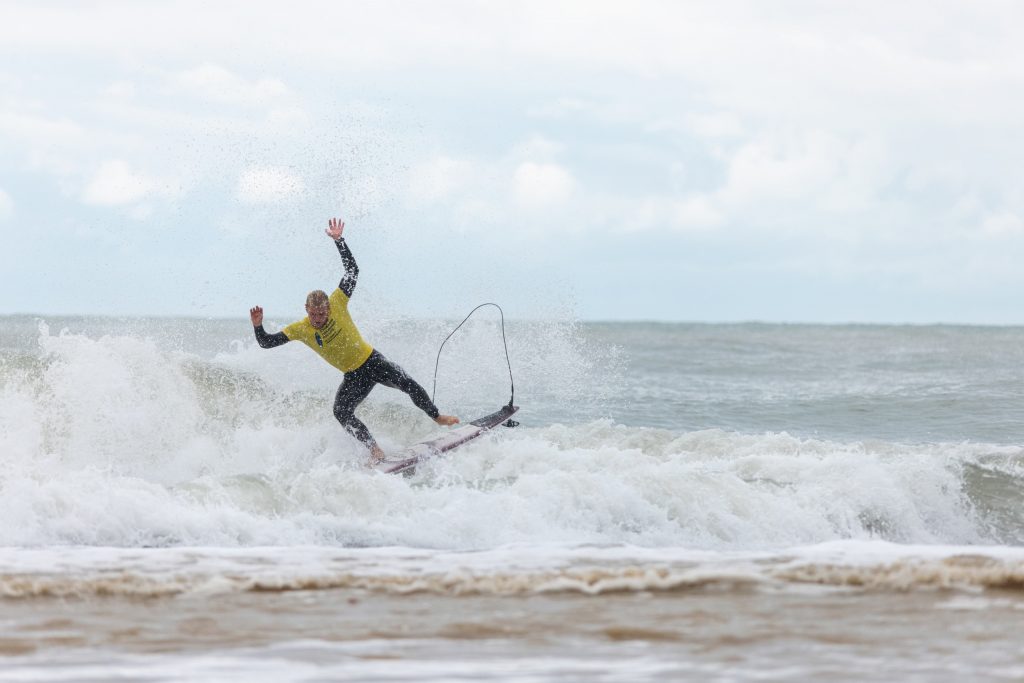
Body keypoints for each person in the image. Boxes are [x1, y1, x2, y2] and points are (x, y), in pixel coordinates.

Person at [249, 217, 459, 465]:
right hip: (353, 376)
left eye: (322, 313)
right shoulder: (301, 329)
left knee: (407, 382)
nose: (318, 319)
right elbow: (266, 343)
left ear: (328, 307)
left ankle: (437, 417)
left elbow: (352, 271)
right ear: (306, 309)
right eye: (313, 314)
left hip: (372, 361)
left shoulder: (337, 302)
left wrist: (339, 241)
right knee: (341, 412)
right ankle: (374, 450)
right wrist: (258, 325)